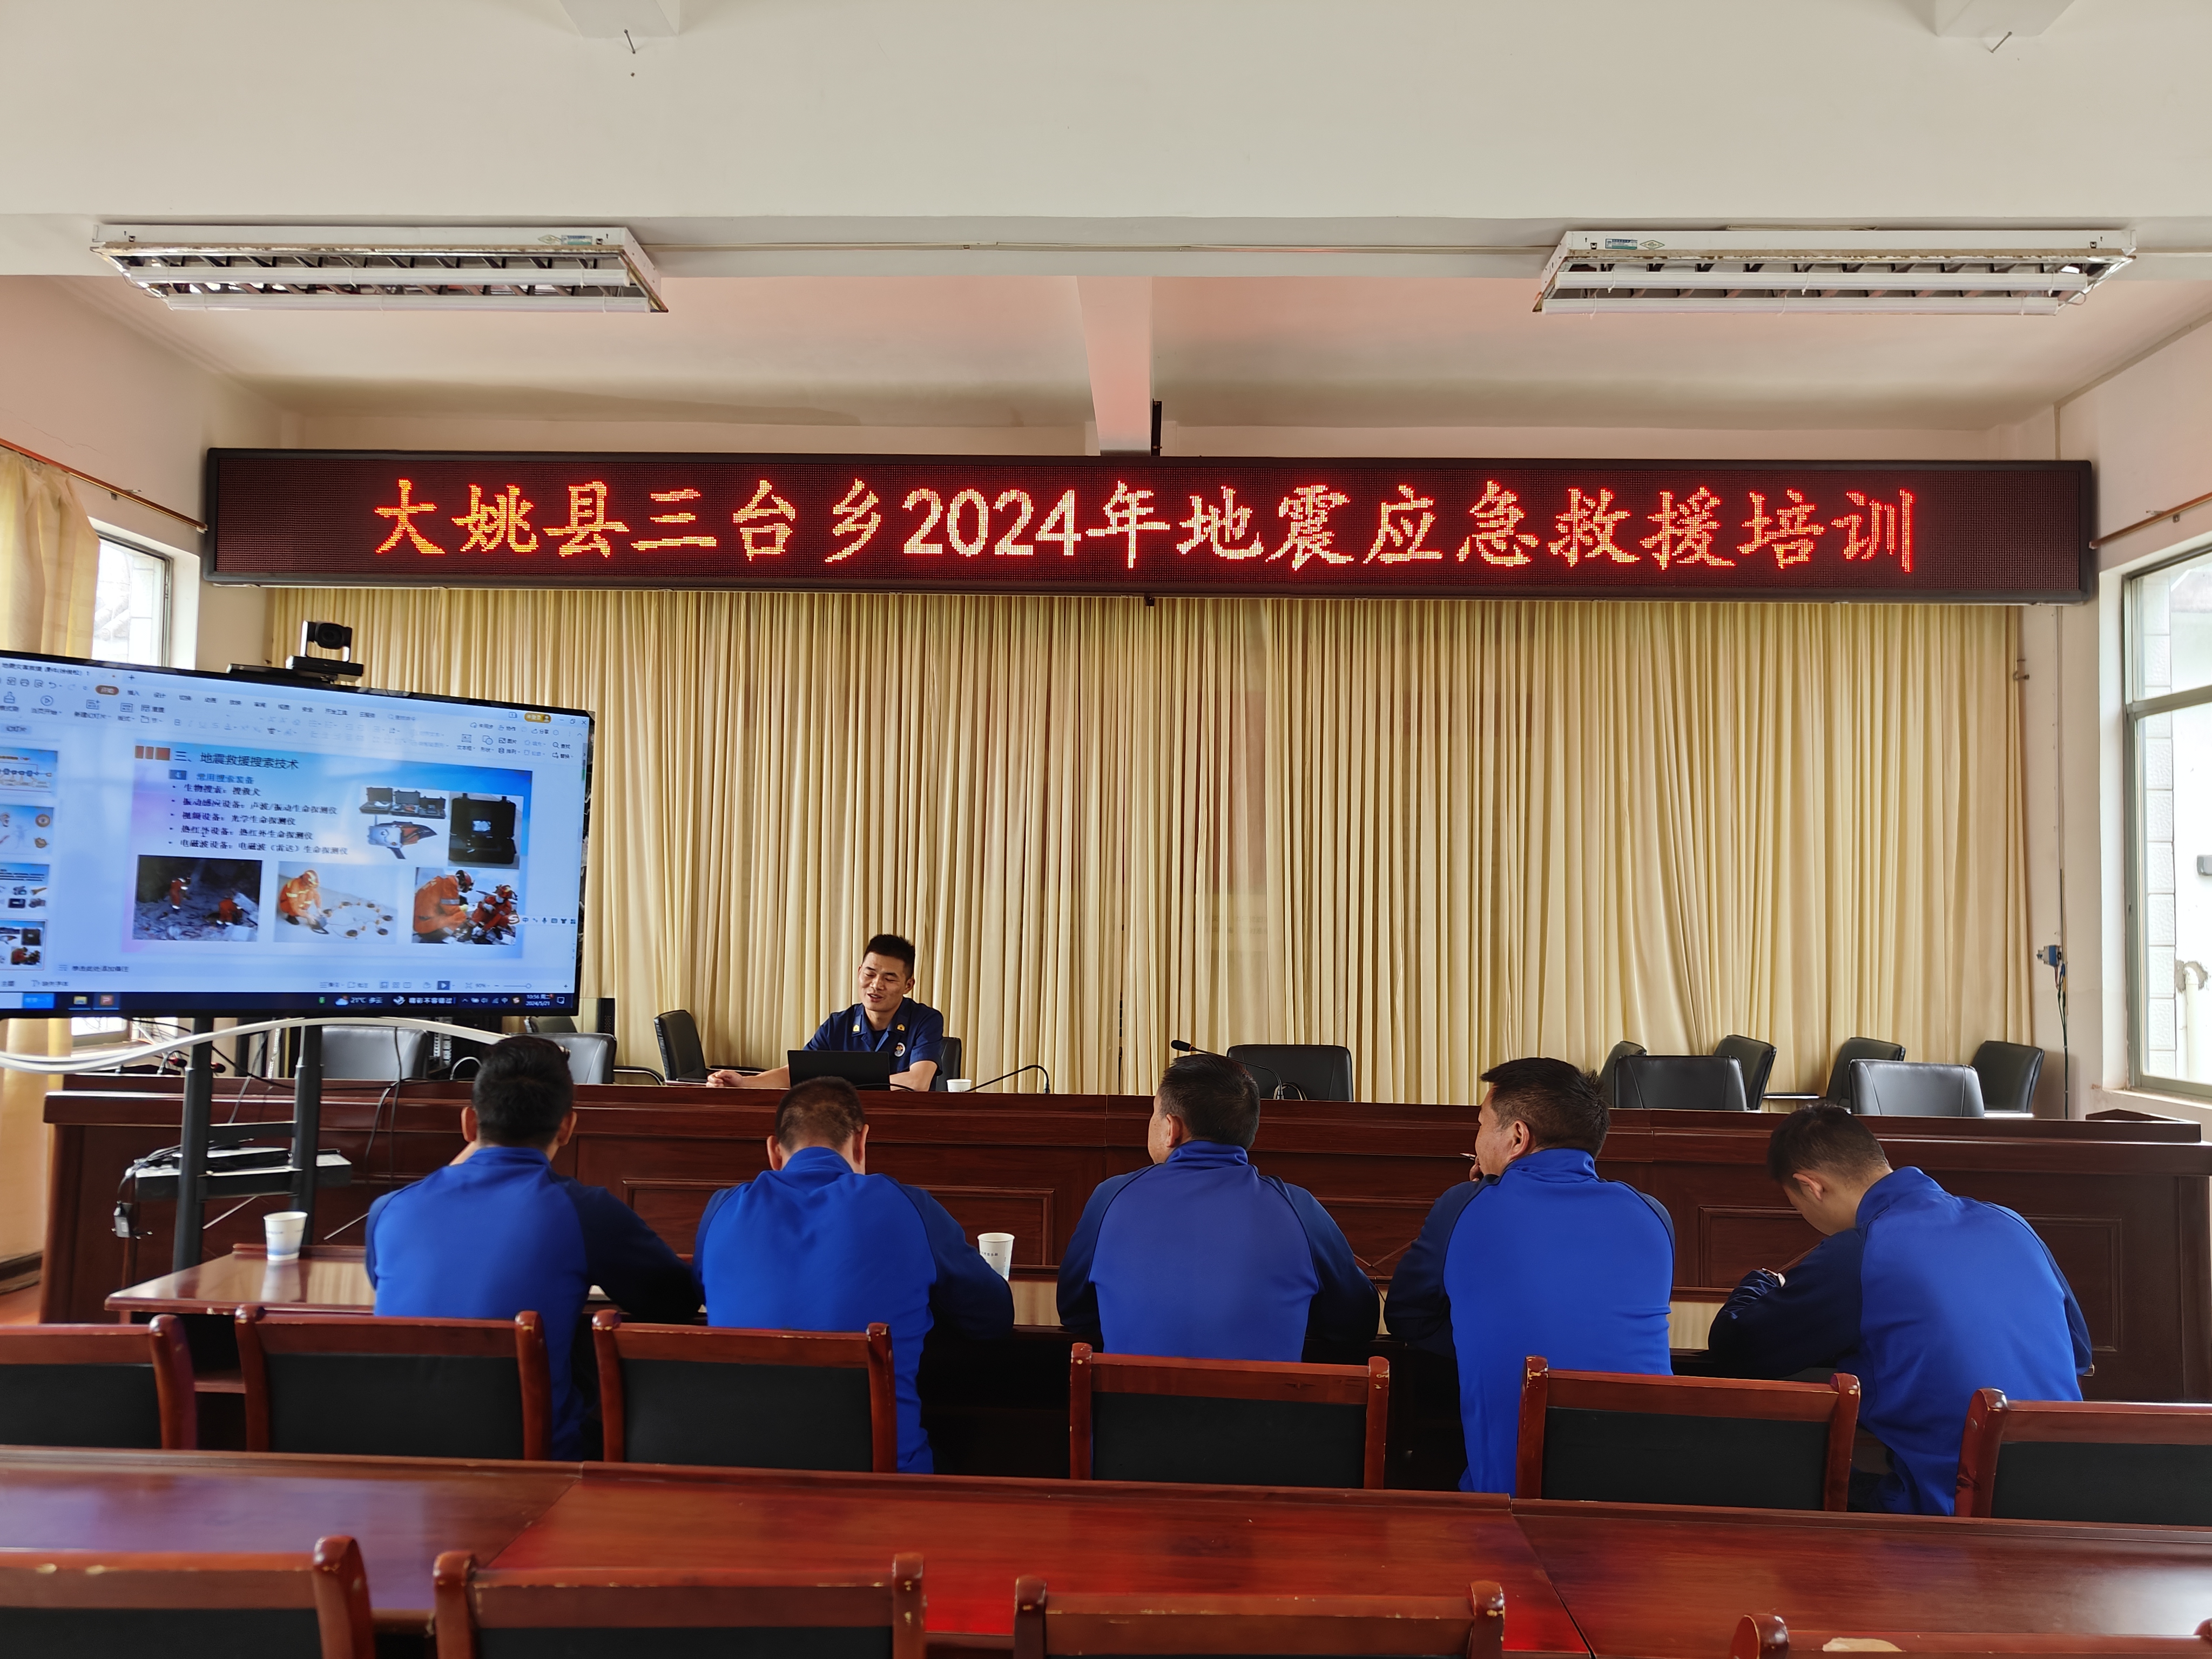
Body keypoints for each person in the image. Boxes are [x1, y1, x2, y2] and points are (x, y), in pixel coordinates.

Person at [1708, 1104, 2090, 1514]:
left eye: (1797, 1206)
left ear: (1812, 1186)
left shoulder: (1860, 1253)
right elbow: (2079, 1353)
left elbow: (1737, 1350)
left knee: (1770, 1469)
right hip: (2074, 1494)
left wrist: (1760, 1282)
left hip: (1951, 1509)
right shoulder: (2010, 1222)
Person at [364, 1035, 698, 1459]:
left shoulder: (389, 1209)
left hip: (398, 1457)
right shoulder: (584, 1211)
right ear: (568, 1126)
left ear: (469, 1124)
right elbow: (676, 1304)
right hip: (533, 1463)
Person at [692, 1075, 1013, 1471]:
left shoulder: (721, 1210)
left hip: (743, 1479)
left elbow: (703, 1295)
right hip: (882, 1484)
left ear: (774, 1152)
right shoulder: (909, 1207)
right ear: (861, 1143)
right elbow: (993, 1317)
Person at [1385, 1056, 1674, 1495]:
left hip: (1513, 1509)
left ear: (1517, 1137)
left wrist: (1480, 1334)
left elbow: (1408, 1317)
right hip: (1653, 1499)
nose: (1476, 1142)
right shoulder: (1654, 1215)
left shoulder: (1463, 1206)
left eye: (1482, 1126)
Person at [1057, 1051, 1378, 1363]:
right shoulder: (1299, 1209)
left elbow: (1074, 1312)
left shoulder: (1111, 1198)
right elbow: (1356, 1324)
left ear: (1171, 1128)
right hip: (1264, 1402)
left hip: (1131, 1401)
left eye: (1153, 1115)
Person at [710, 933, 943, 1091]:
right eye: (870, 974)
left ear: (908, 985)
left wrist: (842, 1088)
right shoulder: (838, 1025)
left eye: (889, 979)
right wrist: (744, 1083)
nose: (876, 985)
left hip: (903, 1124)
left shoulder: (926, 1020)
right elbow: (795, 1075)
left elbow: (918, 1082)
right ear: (859, 972)